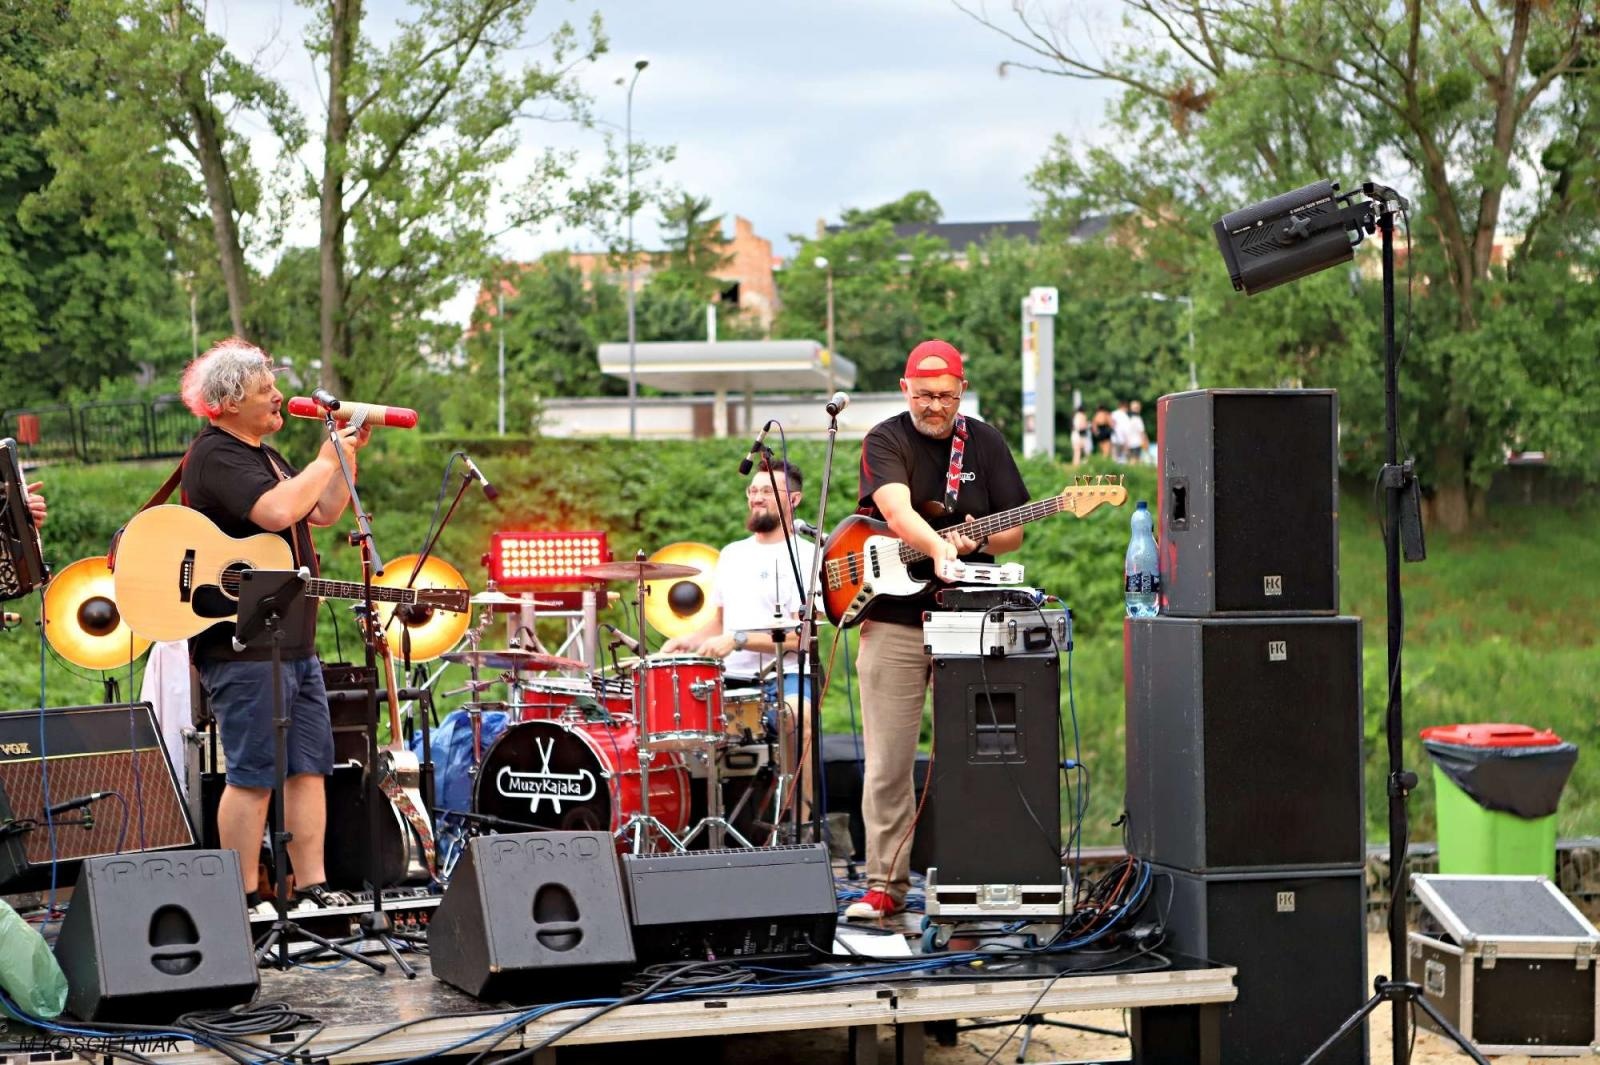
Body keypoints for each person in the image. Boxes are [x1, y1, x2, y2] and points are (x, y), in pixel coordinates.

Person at [179, 338, 370, 913]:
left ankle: (312, 890)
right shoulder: (217, 454)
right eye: (267, 391)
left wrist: (344, 455)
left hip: (293, 637)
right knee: (255, 770)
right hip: (239, 642)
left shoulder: (265, 452)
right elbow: (278, 511)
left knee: (310, 764)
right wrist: (322, 461)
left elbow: (324, 510)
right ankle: (242, 902)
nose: (279, 397)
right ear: (229, 401)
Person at [843, 339, 1029, 920]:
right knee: (889, 761)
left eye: (945, 396)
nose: (934, 405)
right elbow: (896, 511)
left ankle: (976, 881)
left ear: (961, 390)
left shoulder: (987, 441)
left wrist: (979, 537)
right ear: (905, 390)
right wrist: (936, 549)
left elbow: (1013, 533)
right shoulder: (885, 438)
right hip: (894, 619)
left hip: (969, 618)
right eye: (923, 395)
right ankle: (884, 886)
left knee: (976, 755)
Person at [661, 459, 817, 820]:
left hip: (784, 677)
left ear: (793, 500)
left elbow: (804, 637)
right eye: (753, 491)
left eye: (767, 491)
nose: (757, 498)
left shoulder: (807, 556)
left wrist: (741, 639)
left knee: (801, 716)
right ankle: (692, 820)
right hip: (729, 681)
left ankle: (801, 822)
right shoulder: (732, 554)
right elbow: (718, 624)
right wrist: (684, 640)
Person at [1126, 400, 1149, 465]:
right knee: (1135, 461)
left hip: (1129, 443)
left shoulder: (1128, 419)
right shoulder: (1138, 419)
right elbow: (1142, 432)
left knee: (1132, 460)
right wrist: (1146, 442)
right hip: (1137, 443)